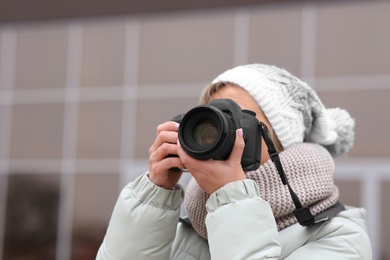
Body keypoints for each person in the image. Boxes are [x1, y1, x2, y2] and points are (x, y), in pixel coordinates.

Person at [96, 64, 372, 259]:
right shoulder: (189, 225)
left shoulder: (341, 237)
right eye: (214, 119)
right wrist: (154, 196)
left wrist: (231, 197)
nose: (223, 133)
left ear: (281, 141)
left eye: (240, 120)